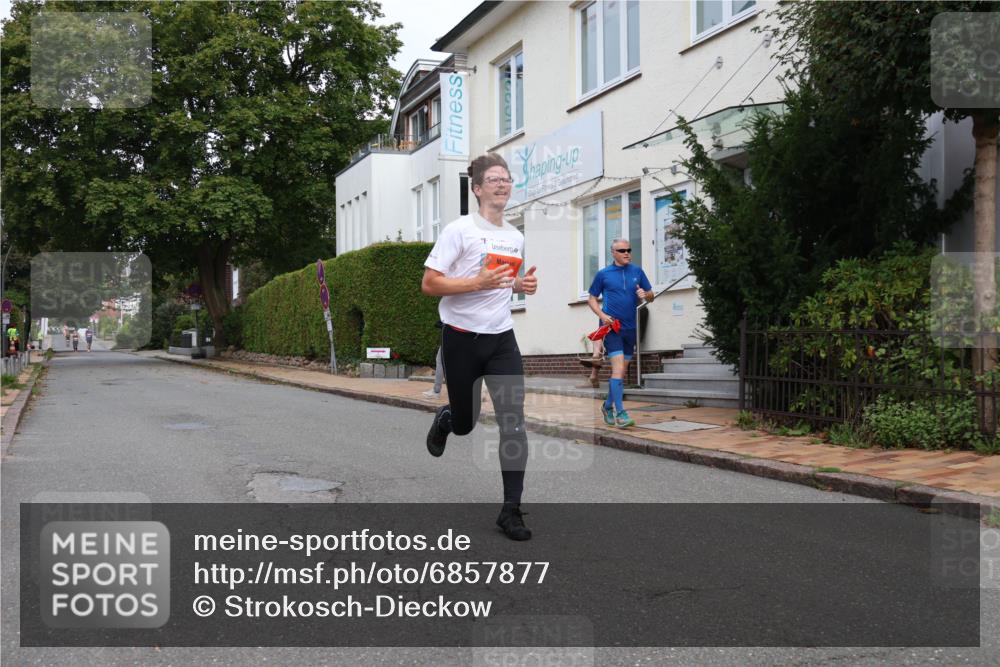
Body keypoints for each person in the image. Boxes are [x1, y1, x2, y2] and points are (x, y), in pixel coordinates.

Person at [421, 152, 538, 541]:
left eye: (506, 179)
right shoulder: (460, 230)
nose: (502, 184)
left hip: (502, 338)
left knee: (513, 421)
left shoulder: (515, 237)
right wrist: (477, 282)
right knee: (466, 423)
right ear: (477, 189)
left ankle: (511, 510)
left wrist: (519, 284)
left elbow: (501, 279)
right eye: (494, 179)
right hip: (461, 337)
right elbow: (430, 283)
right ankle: (447, 419)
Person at [587, 238, 654, 428]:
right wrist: (602, 315)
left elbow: (651, 296)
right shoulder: (604, 274)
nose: (627, 253)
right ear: (613, 253)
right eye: (622, 250)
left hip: (631, 328)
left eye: (629, 250)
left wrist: (646, 295)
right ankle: (621, 413)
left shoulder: (637, 271)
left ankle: (607, 406)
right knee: (617, 370)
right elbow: (591, 298)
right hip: (612, 327)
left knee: (621, 373)